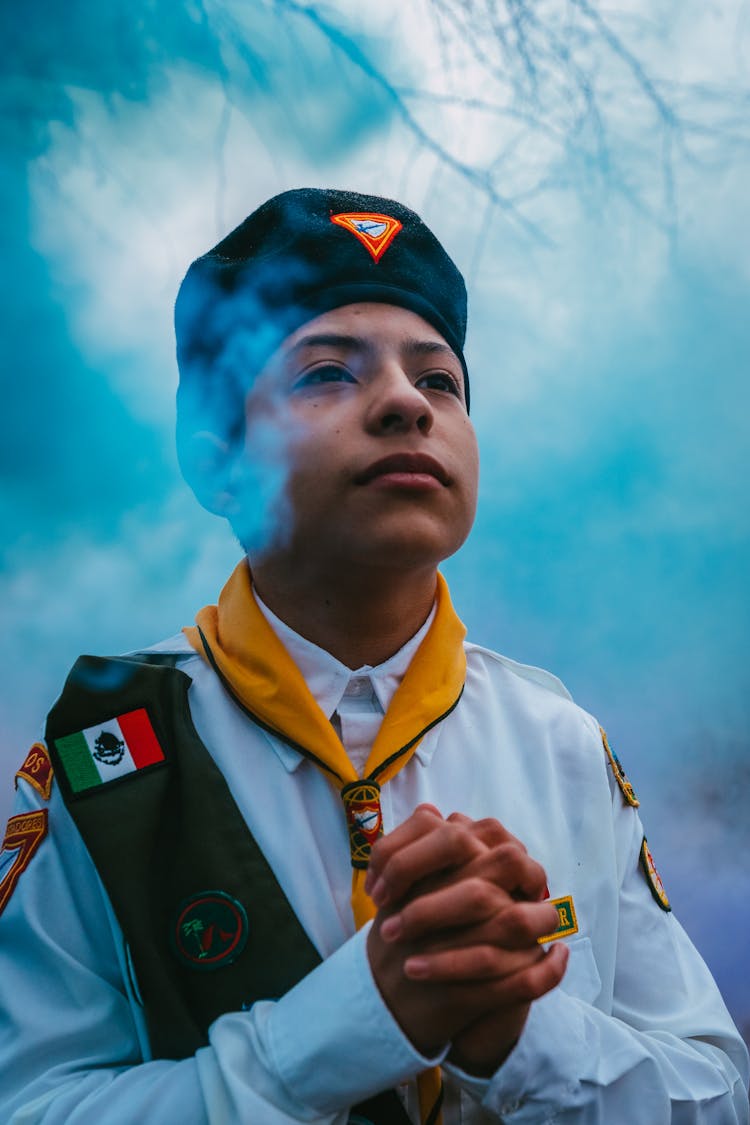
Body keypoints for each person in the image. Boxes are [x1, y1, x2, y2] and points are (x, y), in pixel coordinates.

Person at [0, 187, 747, 1125]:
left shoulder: (559, 740)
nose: (405, 402)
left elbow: (716, 1093)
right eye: (326, 372)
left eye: (440, 380)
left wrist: (519, 1037)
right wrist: (343, 1029)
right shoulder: (109, 751)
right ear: (218, 462)